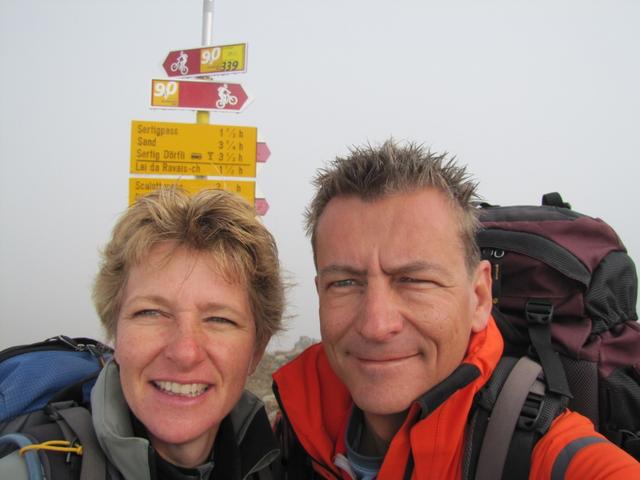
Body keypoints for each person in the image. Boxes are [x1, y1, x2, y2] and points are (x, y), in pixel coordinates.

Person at [271, 140, 640, 479]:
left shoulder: (555, 457)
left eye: (415, 280)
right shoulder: (289, 432)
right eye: (345, 283)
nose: (376, 325)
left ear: (479, 297)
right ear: (320, 293)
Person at [1, 187, 285, 479]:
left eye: (219, 319)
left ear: (256, 350)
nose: (185, 352)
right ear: (115, 334)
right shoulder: (28, 469)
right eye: (150, 313)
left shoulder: (270, 464)